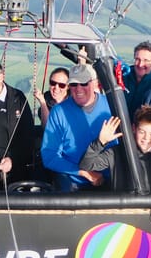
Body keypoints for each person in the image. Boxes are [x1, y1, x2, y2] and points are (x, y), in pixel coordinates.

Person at [40, 63, 112, 191]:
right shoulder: (59, 112)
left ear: (94, 83)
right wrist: (83, 172)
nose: (78, 89)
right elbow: (49, 156)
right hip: (73, 182)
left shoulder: (111, 105)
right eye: (74, 84)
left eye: (84, 83)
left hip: (111, 179)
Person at [80, 105, 151, 193]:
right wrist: (99, 143)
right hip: (121, 208)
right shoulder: (117, 152)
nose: (146, 138)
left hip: (148, 209)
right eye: (142, 132)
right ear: (134, 128)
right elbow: (86, 165)